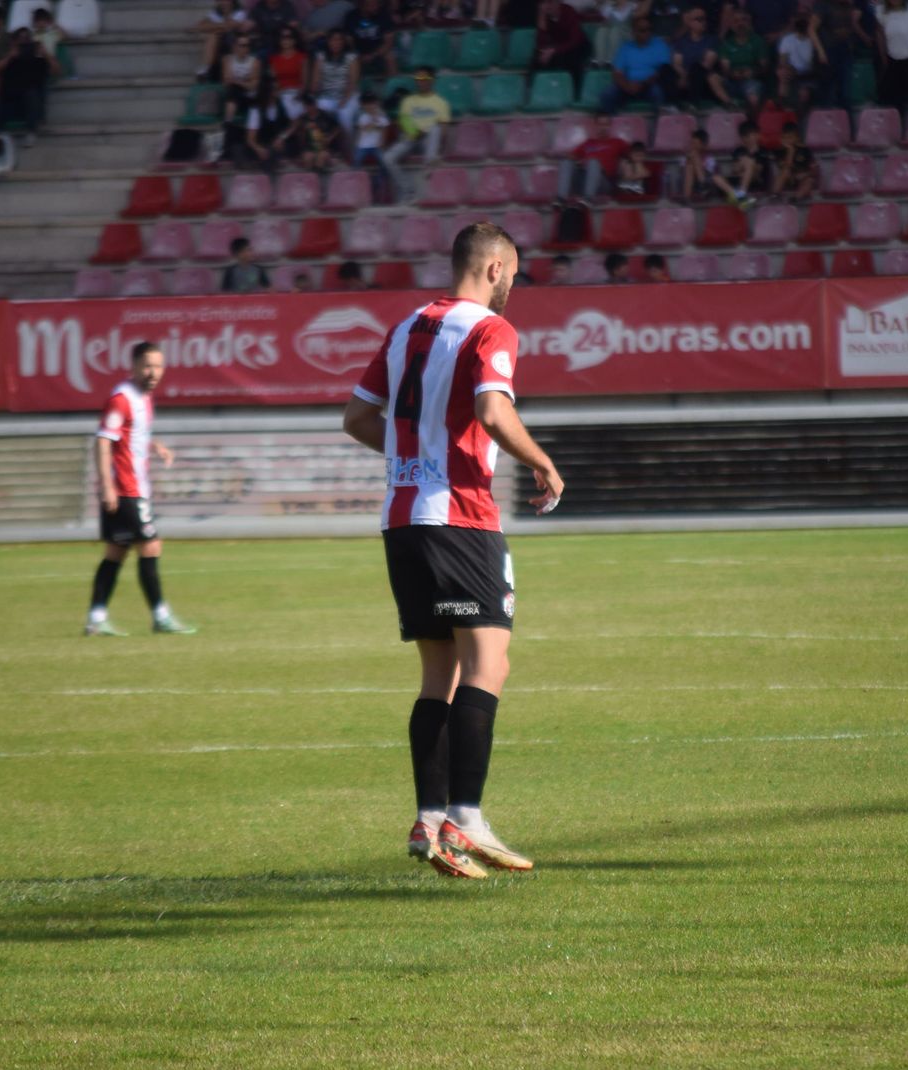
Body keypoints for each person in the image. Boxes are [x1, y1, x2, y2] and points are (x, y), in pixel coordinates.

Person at [341, 221, 564, 881]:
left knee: (438, 674)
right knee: (489, 663)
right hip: (460, 519)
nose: (512, 291)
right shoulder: (491, 329)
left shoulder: (407, 325)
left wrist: (415, 456)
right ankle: (466, 814)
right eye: (514, 277)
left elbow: (356, 419)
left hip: (402, 519)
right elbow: (493, 412)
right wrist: (546, 464)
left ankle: (429, 818)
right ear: (494, 268)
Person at [86, 342, 195, 638]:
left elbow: (130, 435)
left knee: (115, 552)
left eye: (158, 366)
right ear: (133, 366)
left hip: (130, 489)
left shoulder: (143, 398)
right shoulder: (121, 399)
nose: (153, 372)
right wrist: (107, 486)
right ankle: (160, 615)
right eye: (147, 366)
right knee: (150, 546)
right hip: (126, 490)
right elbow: (103, 440)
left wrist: (154, 445)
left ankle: (96, 618)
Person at [382, 67, 451, 201]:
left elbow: (443, 130)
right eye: (418, 79)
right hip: (411, 138)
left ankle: (430, 162)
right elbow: (403, 122)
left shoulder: (441, 102)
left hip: (429, 140)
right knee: (387, 158)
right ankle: (408, 189)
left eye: (424, 79)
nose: (421, 82)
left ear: (432, 80)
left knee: (434, 128)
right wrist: (414, 132)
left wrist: (437, 144)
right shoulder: (408, 101)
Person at [601, 17, 671, 114]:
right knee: (608, 95)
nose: (647, 33)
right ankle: (612, 126)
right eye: (643, 30)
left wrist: (642, 84)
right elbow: (617, 73)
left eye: (649, 29)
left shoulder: (660, 45)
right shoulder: (625, 47)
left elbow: (663, 71)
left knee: (658, 93)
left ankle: (658, 127)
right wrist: (627, 86)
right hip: (628, 85)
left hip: (649, 85)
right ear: (634, 32)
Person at [0, 27, 52, 144]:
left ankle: (31, 132)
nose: (24, 42)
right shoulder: (9, 57)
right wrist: (10, 56)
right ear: (13, 42)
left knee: (31, 94)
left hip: (31, 103)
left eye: (27, 39)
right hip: (12, 100)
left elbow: (56, 70)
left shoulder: (37, 57)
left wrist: (45, 53)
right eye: (20, 39)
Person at [556, 113, 630, 202]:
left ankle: (587, 199)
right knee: (566, 162)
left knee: (593, 162)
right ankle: (561, 198)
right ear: (596, 126)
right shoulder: (588, 143)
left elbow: (634, 154)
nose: (603, 127)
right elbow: (571, 156)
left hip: (603, 182)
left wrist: (625, 164)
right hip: (584, 179)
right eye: (600, 124)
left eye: (606, 124)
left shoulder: (617, 142)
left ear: (610, 126)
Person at [810, 0, 865, 109]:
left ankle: (846, 121)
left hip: (845, 51)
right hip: (828, 51)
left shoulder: (848, 6)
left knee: (845, 90)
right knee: (827, 91)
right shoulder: (823, 5)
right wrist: (820, 52)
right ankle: (825, 121)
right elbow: (811, 29)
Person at [718, 9, 771, 113]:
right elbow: (725, 69)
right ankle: (730, 103)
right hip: (732, 82)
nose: (740, 23)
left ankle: (752, 125)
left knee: (753, 97)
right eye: (736, 21)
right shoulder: (726, 44)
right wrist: (733, 74)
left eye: (743, 20)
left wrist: (752, 72)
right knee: (713, 78)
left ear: (749, 23)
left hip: (751, 81)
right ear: (731, 25)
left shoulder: (758, 41)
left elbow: (765, 68)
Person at [311, 29, 361, 135]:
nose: (336, 43)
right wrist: (313, 95)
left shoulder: (351, 57)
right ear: (328, 42)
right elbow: (316, 80)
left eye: (339, 40)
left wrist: (344, 99)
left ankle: (348, 145)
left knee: (344, 114)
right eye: (333, 40)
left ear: (343, 42)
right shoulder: (321, 56)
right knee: (319, 112)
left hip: (348, 94)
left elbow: (353, 82)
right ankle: (325, 146)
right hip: (327, 95)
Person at [534, 0, 591, 88]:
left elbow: (574, 40)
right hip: (558, 48)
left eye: (550, 2)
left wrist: (554, 50)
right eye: (544, 3)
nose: (547, 6)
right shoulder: (544, 17)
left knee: (573, 60)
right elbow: (540, 45)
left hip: (578, 47)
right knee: (537, 59)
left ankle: (575, 92)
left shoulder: (569, 11)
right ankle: (538, 90)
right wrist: (541, 22)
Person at [680, 128, 744, 204]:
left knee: (716, 178)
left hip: (707, 186)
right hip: (691, 185)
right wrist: (691, 159)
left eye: (696, 144)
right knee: (689, 166)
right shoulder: (686, 157)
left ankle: (739, 198)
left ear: (703, 145)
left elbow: (711, 174)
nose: (693, 146)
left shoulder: (709, 159)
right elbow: (683, 171)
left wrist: (698, 163)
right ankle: (687, 197)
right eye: (692, 143)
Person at [775, 13, 823, 109]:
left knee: (804, 93)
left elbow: (817, 65)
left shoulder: (815, 40)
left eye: (805, 17)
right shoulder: (787, 39)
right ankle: (783, 109)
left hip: (809, 74)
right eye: (799, 17)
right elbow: (782, 62)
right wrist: (788, 69)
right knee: (782, 73)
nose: (802, 20)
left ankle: (801, 118)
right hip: (791, 71)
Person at [196, 0, 250, 79]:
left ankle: (207, 69)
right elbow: (200, 26)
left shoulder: (239, 11)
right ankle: (205, 68)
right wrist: (218, 27)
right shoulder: (217, 11)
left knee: (214, 33)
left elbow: (230, 26)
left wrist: (213, 26)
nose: (223, 2)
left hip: (234, 43)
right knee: (212, 36)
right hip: (219, 45)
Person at [346, 0, 398, 77]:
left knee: (390, 57)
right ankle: (354, 86)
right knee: (349, 58)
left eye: (376, 4)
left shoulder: (384, 15)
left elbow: (389, 42)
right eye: (372, 5)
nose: (375, 7)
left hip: (378, 50)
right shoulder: (351, 16)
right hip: (358, 51)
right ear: (363, 6)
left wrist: (373, 55)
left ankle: (393, 84)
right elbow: (348, 40)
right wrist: (357, 54)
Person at [221, 33, 263, 123]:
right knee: (233, 90)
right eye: (242, 45)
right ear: (235, 46)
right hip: (233, 93)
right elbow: (227, 81)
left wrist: (238, 82)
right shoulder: (228, 60)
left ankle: (227, 122)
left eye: (247, 45)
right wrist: (245, 80)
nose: (245, 48)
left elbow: (254, 86)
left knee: (235, 89)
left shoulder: (254, 62)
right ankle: (228, 122)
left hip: (249, 97)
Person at [769, 121, 817, 200]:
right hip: (788, 179)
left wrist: (805, 174)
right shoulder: (779, 151)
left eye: (790, 137)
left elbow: (814, 170)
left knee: (809, 180)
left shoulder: (805, 150)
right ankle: (775, 194)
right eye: (785, 137)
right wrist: (791, 151)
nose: (787, 141)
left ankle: (796, 198)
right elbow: (786, 167)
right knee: (785, 171)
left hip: (802, 178)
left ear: (797, 138)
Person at [268, 27, 310, 112]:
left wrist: (300, 94)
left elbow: (304, 81)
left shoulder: (302, 57)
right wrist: (276, 93)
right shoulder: (273, 58)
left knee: (295, 109)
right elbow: (273, 81)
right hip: (281, 93)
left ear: (294, 40)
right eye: (282, 38)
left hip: (296, 93)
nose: (285, 40)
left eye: (288, 37)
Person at [729, 119, 769, 202]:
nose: (754, 138)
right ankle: (741, 194)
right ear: (743, 138)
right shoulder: (738, 151)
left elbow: (758, 170)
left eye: (755, 134)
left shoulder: (763, 151)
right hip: (740, 178)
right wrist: (744, 162)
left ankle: (741, 194)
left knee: (749, 162)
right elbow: (734, 170)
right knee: (746, 160)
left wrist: (747, 161)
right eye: (750, 136)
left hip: (756, 180)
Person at [31, 7, 66, 77]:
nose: (40, 23)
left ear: (47, 21)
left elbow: (65, 36)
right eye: (37, 21)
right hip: (36, 61)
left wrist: (55, 25)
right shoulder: (32, 35)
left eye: (43, 20)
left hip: (51, 59)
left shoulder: (52, 34)